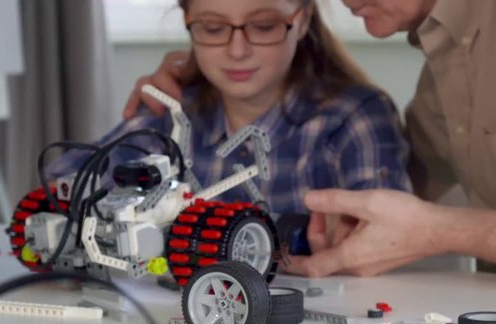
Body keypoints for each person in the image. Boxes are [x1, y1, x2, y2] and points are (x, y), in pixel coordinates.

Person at [127, 0, 496, 289]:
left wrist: (445, 230)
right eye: (212, 27)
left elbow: (422, 222)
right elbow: (387, 199)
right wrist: (198, 84)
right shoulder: (447, 58)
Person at [54, 0, 410, 216]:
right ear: (188, 23)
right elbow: (62, 185)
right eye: (212, 28)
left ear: (300, 21)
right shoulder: (174, 112)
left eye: (264, 26)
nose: (237, 50)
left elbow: (387, 246)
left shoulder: (352, 118)